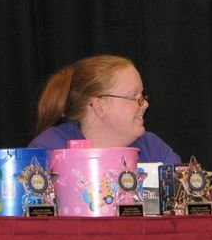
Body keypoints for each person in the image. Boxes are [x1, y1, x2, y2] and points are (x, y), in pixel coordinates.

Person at [28, 54, 180, 164]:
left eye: (142, 96)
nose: (145, 104)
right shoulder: (48, 153)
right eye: (133, 97)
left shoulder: (153, 149)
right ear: (99, 106)